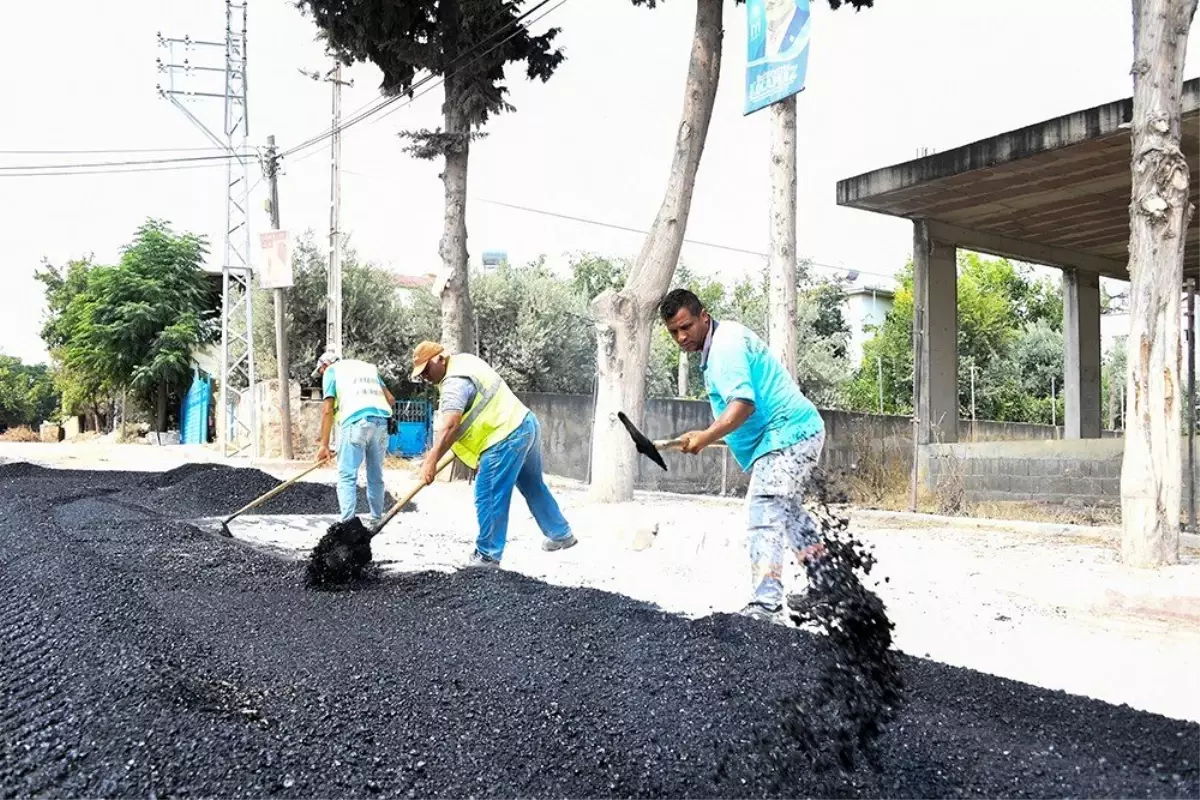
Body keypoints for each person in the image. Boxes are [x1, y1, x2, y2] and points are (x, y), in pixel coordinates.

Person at [659, 289, 826, 621]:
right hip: (797, 433)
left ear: (703, 316)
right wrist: (707, 435)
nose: (681, 337)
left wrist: (705, 437)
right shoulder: (725, 339)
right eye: (674, 331)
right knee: (788, 511)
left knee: (765, 507)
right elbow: (743, 410)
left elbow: (743, 405)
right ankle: (829, 588)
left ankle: (766, 605)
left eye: (687, 326)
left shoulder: (723, 349)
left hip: (788, 435)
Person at [410, 341, 576, 567]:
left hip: (504, 437)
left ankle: (487, 555)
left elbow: (450, 426)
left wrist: (431, 461)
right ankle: (561, 534)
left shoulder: (454, 383)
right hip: (524, 425)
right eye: (421, 374)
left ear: (439, 358)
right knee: (533, 486)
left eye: (426, 370)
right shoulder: (465, 362)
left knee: (488, 494)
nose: (425, 377)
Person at [313, 351, 395, 525]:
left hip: (356, 422)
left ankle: (348, 524)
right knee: (375, 474)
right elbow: (390, 399)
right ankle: (376, 519)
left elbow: (327, 409)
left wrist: (324, 445)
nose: (321, 375)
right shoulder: (367, 368)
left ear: (325, 365)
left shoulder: (332, 371)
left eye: (320, 371)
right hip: (381, 423)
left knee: (347, 475)